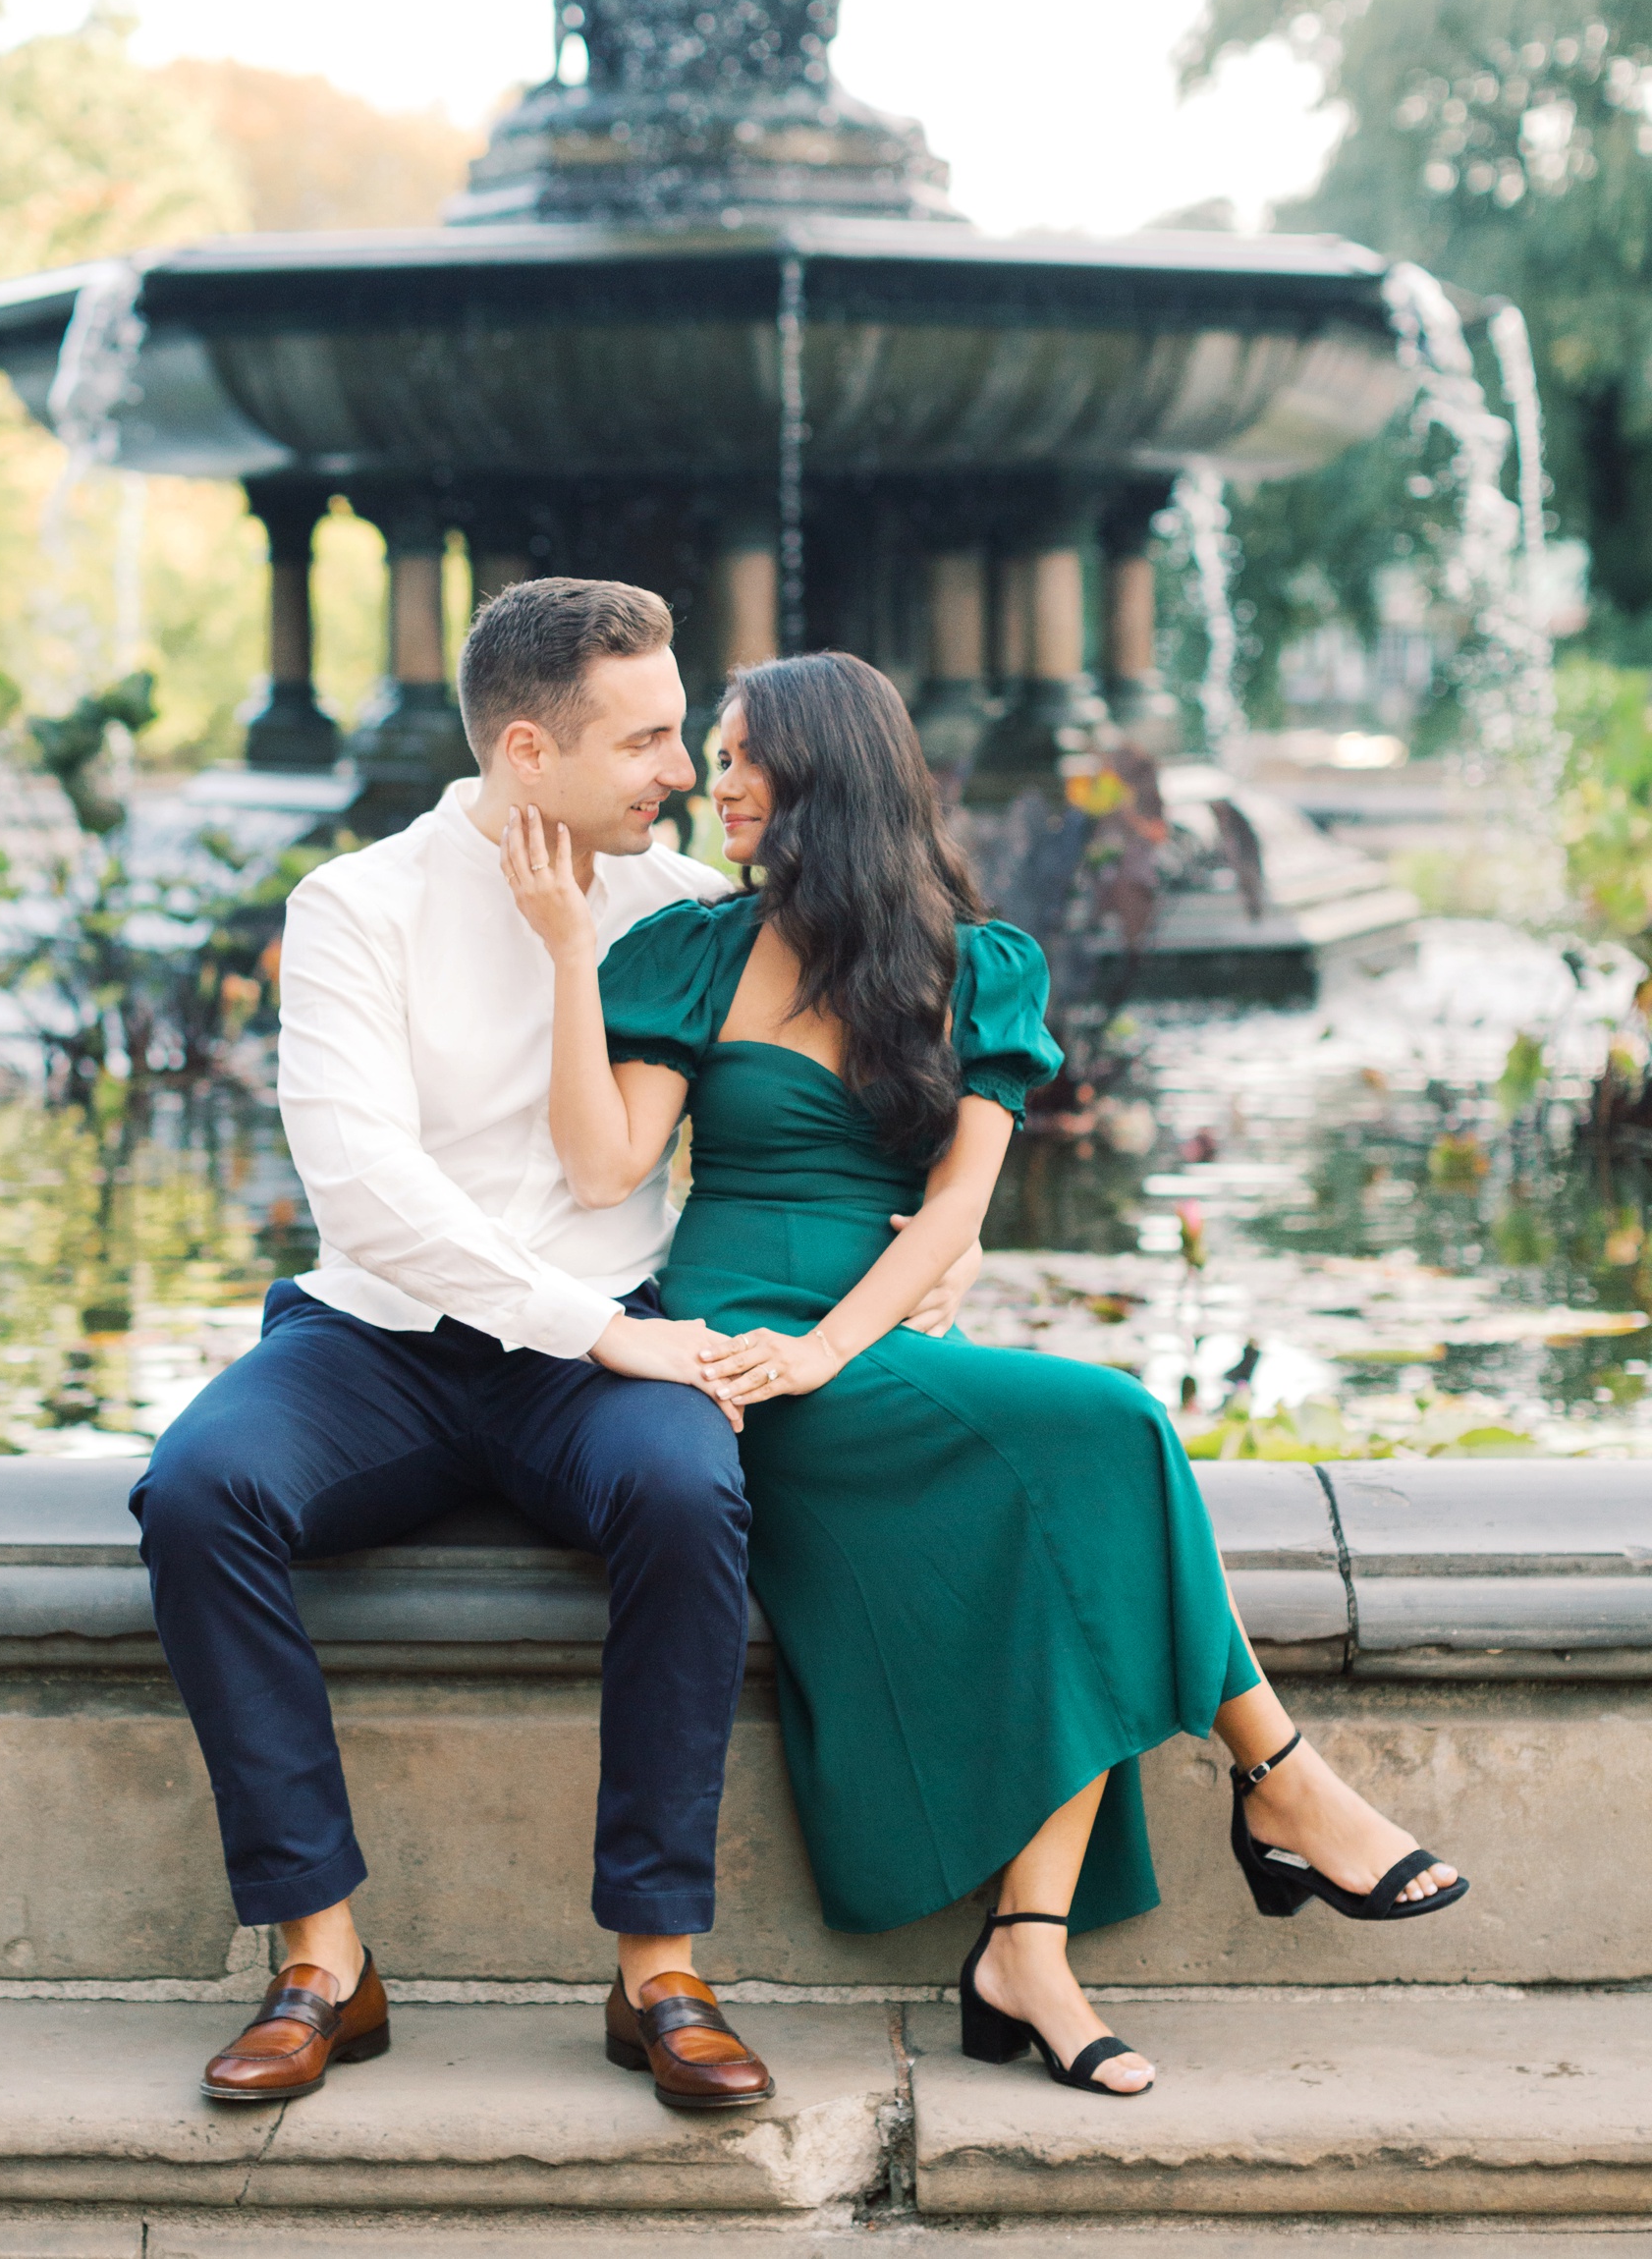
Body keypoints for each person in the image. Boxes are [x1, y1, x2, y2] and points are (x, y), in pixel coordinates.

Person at [502, 647, 1467, 2102]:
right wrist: (570, 951)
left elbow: (955, 1214)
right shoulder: (688, 950)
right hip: (730, 1350)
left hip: (855, 1341)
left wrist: (841, 1341)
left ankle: (1038, 1938)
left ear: (831, 773)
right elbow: (602, 1163)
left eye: (747, 754)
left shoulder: (977, 966)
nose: (718, 780)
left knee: (1100, 1456)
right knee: (1116, 1439)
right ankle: (1267, 1782)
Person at [130, 582, 981, 2111]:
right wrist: (595, 1330)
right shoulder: (354, 906)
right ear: (531, 750)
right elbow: (364, 1188)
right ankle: (322, 1950)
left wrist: (937, 1239)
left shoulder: (679, 909)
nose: (686, 773)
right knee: (197, 1490)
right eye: (650, 738)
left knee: (685, 1494)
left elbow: (873, 1068)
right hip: (383, 1340)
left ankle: (659, 1962)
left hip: (608, 1351)